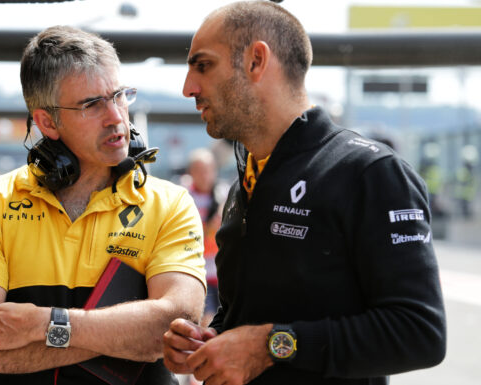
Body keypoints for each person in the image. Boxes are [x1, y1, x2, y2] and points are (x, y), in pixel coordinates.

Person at [163, 2, 446, 385]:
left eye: (203, 65)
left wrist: (270, 345)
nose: (188, 88)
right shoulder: (244, 180)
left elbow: (420, 333)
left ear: (256, 61)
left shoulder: (370, 172)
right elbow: (249, 316)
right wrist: (210, 339)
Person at [0, 25, 207, 385]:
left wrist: (43, 325)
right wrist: (125, 335)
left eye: (119, 96)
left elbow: (174, 328)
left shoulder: (170, 203)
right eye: (92, 104)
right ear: (47, 122)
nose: (116, 116)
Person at [181, 148, 227, 327]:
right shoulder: (183, 195)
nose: (205, 175)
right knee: (202, 321)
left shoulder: (224, 194)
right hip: (195, 270)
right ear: (191, 172)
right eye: (200, 171)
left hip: (220, 271)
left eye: (208, 170)